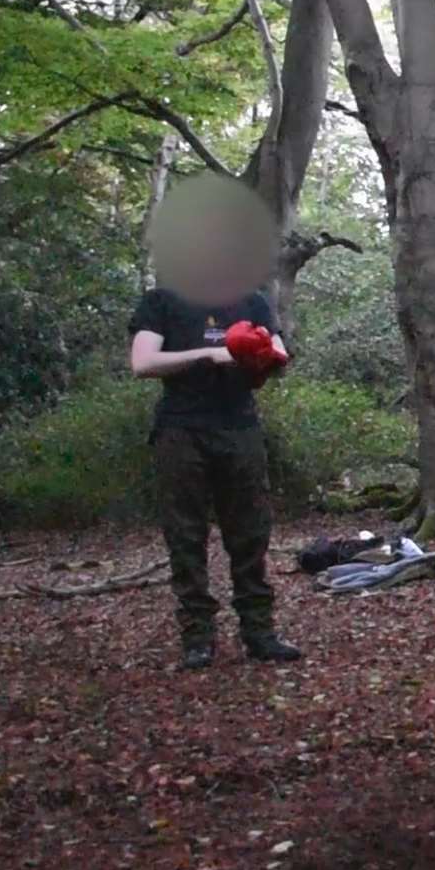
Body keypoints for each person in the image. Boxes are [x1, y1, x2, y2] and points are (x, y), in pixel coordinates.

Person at [129, 285, 302, 671]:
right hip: (181, 429)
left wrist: (256, 355)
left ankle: (260, 633)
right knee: (185, 535)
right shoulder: (164, 300)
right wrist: (210, 354)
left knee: (251, 533)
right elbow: (142, 362)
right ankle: (197, 637)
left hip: (240, 428)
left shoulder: (252, 299)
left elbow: (280, 355)